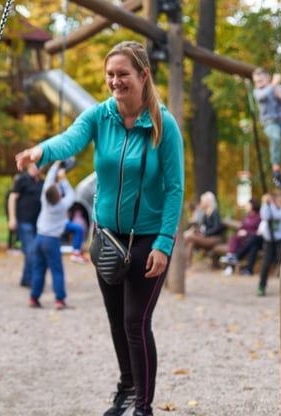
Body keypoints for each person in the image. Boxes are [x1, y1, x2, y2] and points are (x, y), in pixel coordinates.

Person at [15, 41, 184, 416]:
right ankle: (126, 387)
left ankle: (143, 407)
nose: (115, 81)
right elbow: (70, 139)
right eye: (110, 74)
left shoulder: (163, 125)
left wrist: (164, 242)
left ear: (143, 75)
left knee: (135, 321)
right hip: (107, 237)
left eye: (123, 74)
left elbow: (175, 189)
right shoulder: (100, 116)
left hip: (147, 239)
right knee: (116, 321)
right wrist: (41, 151)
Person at [28, 163, 74, 310]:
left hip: (39, 238)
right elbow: (72, 194)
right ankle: (60, 300)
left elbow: (48, 181)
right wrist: (63, 179)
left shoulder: (44, 199)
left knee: (38, 269)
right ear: (59, 196)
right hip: (52, 240)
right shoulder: (62, 206)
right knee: (56, 270)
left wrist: (54, 167)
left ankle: (33, 298)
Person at [251, 67, 281, 189]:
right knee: (276, 138)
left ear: (267, 78)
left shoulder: (278, 88)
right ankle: (276, 171)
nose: (258, 84)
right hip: (270, 124)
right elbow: (263, 96)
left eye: (261, 81)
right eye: (256, 82)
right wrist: (274, 84)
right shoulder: (257, 92)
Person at [8, 163, 44, 287]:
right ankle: (30, 280)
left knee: (34, 252)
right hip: (24, 222)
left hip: (38, 224)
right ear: (29, 167)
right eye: (34, 166)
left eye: (39, 166)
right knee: (31, 251)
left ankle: (26, 278)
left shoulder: (42, 183)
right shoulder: (22, 180)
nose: (36, 169)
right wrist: (12, 218)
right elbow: (12, 198)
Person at [257, 190, 281, 296]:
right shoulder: (267, 207)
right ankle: (262, 286)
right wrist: (266, 204)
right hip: (269, 239)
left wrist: (272, 209)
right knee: (266, 263)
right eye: (279, 200)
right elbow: (265, 216)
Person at [219, 197, 261, 276]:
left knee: (253, 245)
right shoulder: (246, 216)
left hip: (253, 240)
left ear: (253, 206)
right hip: (243, 239)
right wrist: (241, 232)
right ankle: (231, 263)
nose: (246, 207)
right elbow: (242, 226)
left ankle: (234, 259)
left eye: (248, 205)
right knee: (233, 238)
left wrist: (247, 233)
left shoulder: (259, 217)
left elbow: (259, 232)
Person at [183, 191, 225, 265]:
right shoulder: (205, 214)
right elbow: (204, 227)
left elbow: (217, 228)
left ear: (208, 202)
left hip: (215, 239)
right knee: (191, 241)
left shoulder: (214, 213)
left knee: (190, 238)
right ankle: (187, 263)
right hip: (207, 238)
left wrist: (205, 234)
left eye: (202, 201)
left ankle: (184, 263)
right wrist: (197, 231)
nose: (201, 203)